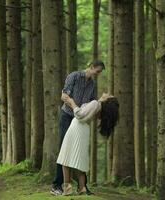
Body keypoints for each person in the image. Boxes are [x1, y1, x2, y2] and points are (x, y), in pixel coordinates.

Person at [50, 60, 105, 196]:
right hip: (67, 116)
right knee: (64, 149)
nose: (97, 74)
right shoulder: (74, 76)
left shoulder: (92, 84)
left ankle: (82, 186)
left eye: (99, 73)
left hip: (79, 121)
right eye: (97, 71)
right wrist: (75, 106)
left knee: (80, 152)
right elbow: (64, 96)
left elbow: (90, 104)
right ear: (91, 67)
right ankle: (56, 185)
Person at [56, 93, 119, 195]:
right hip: (82, 129)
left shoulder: (95, 104)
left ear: (107, 100)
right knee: (79, 161)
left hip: (77, 127)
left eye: (109, 95)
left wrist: (71, 102)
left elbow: (80, 115)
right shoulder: (97, 106)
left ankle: (67, 188)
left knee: (66, 158)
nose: (107, 93)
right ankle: (82, 188)